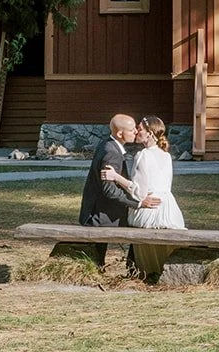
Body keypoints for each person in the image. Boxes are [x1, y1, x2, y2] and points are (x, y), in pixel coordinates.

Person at [101, 114, 185, 277]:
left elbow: (139, 192)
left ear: (150, 134)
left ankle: (145, 271)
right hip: (168, 209)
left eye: (139, 129)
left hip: (150, 211)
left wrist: (116, 177)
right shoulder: (166, 155)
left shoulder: (143, 155)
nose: (136, 132)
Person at [77, 112, 159, 265]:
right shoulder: (112, 153)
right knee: (141, 224)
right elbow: (109, 190)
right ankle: (138, 268)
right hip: (102, 217)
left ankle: (132, 267)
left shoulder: (107, 144)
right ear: (120, 133)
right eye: (132, 129)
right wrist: (138, 204)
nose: (136, 131)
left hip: (99, 211)